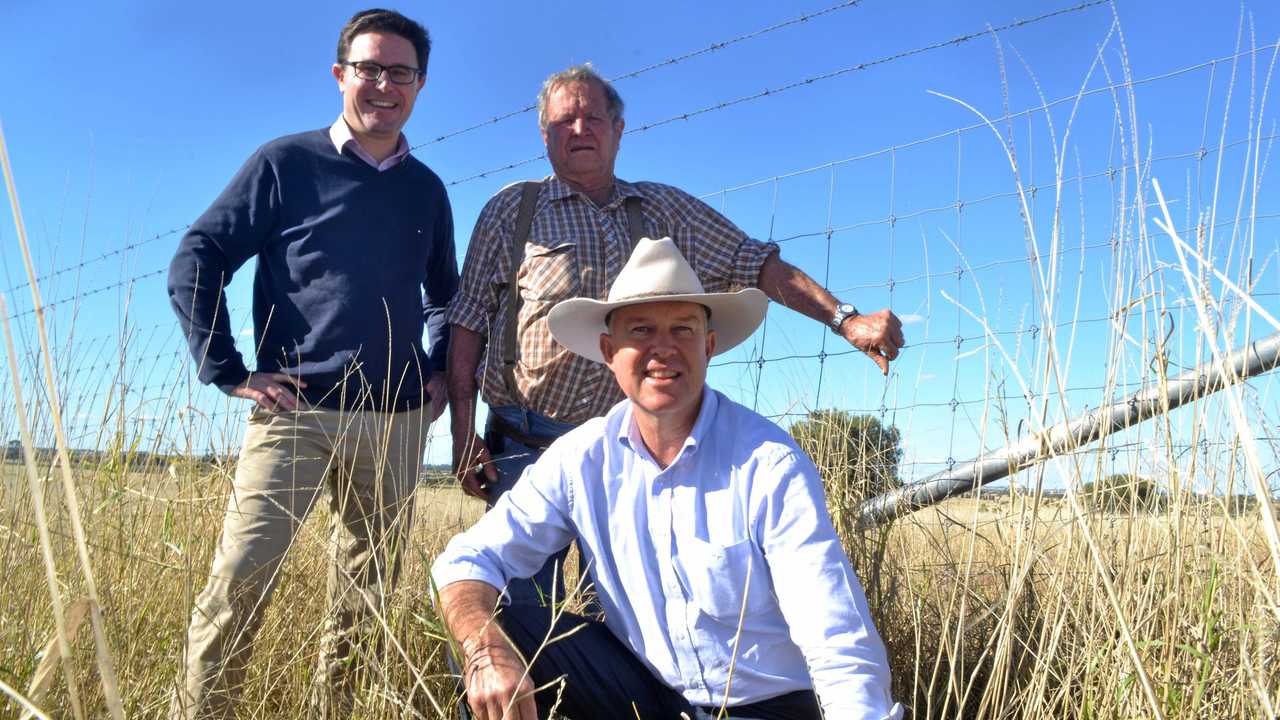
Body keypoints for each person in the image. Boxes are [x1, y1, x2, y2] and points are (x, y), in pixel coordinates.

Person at [447, 64, 905, 605]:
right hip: (522, 446)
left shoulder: (664, 210)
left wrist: (843, 318)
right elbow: (469, 319)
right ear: (543, 135)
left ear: (619, 130)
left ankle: (618, 692)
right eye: (563, 121)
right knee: (518, 608)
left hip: (627, 452)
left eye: (593, 117)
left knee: (622, 614)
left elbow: (753, 262)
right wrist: (461, 431)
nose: (579, 130)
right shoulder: (512, 210)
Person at [433, 237, 903, 720]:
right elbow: (466, 560)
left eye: (683, 328)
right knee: (489, 629)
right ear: (609, 350)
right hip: (645, 692)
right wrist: (485, 646)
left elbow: (836, 637)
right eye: (641, 330)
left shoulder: (768, 463)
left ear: (709, 345)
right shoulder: (580, 458)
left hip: (763, 707)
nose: (663, 349)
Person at [165, 8, 456, 717]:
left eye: (400, 72)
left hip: (393, 421)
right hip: (295, 413)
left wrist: (441, 369)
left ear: (419, 84)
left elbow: (445, 296)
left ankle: (339, 709)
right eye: (369, 68)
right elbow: (196, 258)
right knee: (240, 579)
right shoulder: (284, 164)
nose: (384, 84)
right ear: (339, 75)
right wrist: (229, 370)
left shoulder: (426, 188)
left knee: (367, 593)